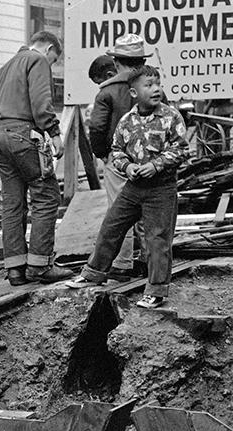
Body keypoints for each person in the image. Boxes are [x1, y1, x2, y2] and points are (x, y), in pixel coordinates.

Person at [70, 65, 189, 309]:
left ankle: (156, 290)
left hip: (161, 189)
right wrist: (127, 168)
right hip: (133, 188)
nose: (156, 89)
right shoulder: (126, 121)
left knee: (158, 239)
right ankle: (93, 273)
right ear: (133, 93)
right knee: (111, 227)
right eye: (149, 85)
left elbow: (181, 149)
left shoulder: (171, 117)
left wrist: (156, 165)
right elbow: (117, 151)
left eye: (158, 84)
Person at [0, 31, 73, 286]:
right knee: (46, 195)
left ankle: (15, 269)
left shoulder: (1, 70)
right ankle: (40, 265)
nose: (52, 64)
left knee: (12, 203)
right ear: (48, 49)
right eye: (54, 60)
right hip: (20, 134)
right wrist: (55, 133)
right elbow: (40, 102)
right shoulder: (37, 61)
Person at [88, 34, 151, 276]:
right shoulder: (152, 87)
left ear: (116, 62)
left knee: (120, 210)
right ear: (142, 60)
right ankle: (148, 260)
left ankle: (122, 263)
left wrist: (103, 154)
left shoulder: (108, 91)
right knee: (149, 210)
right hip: (149, 159)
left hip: (119, 159)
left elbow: (97, 128)